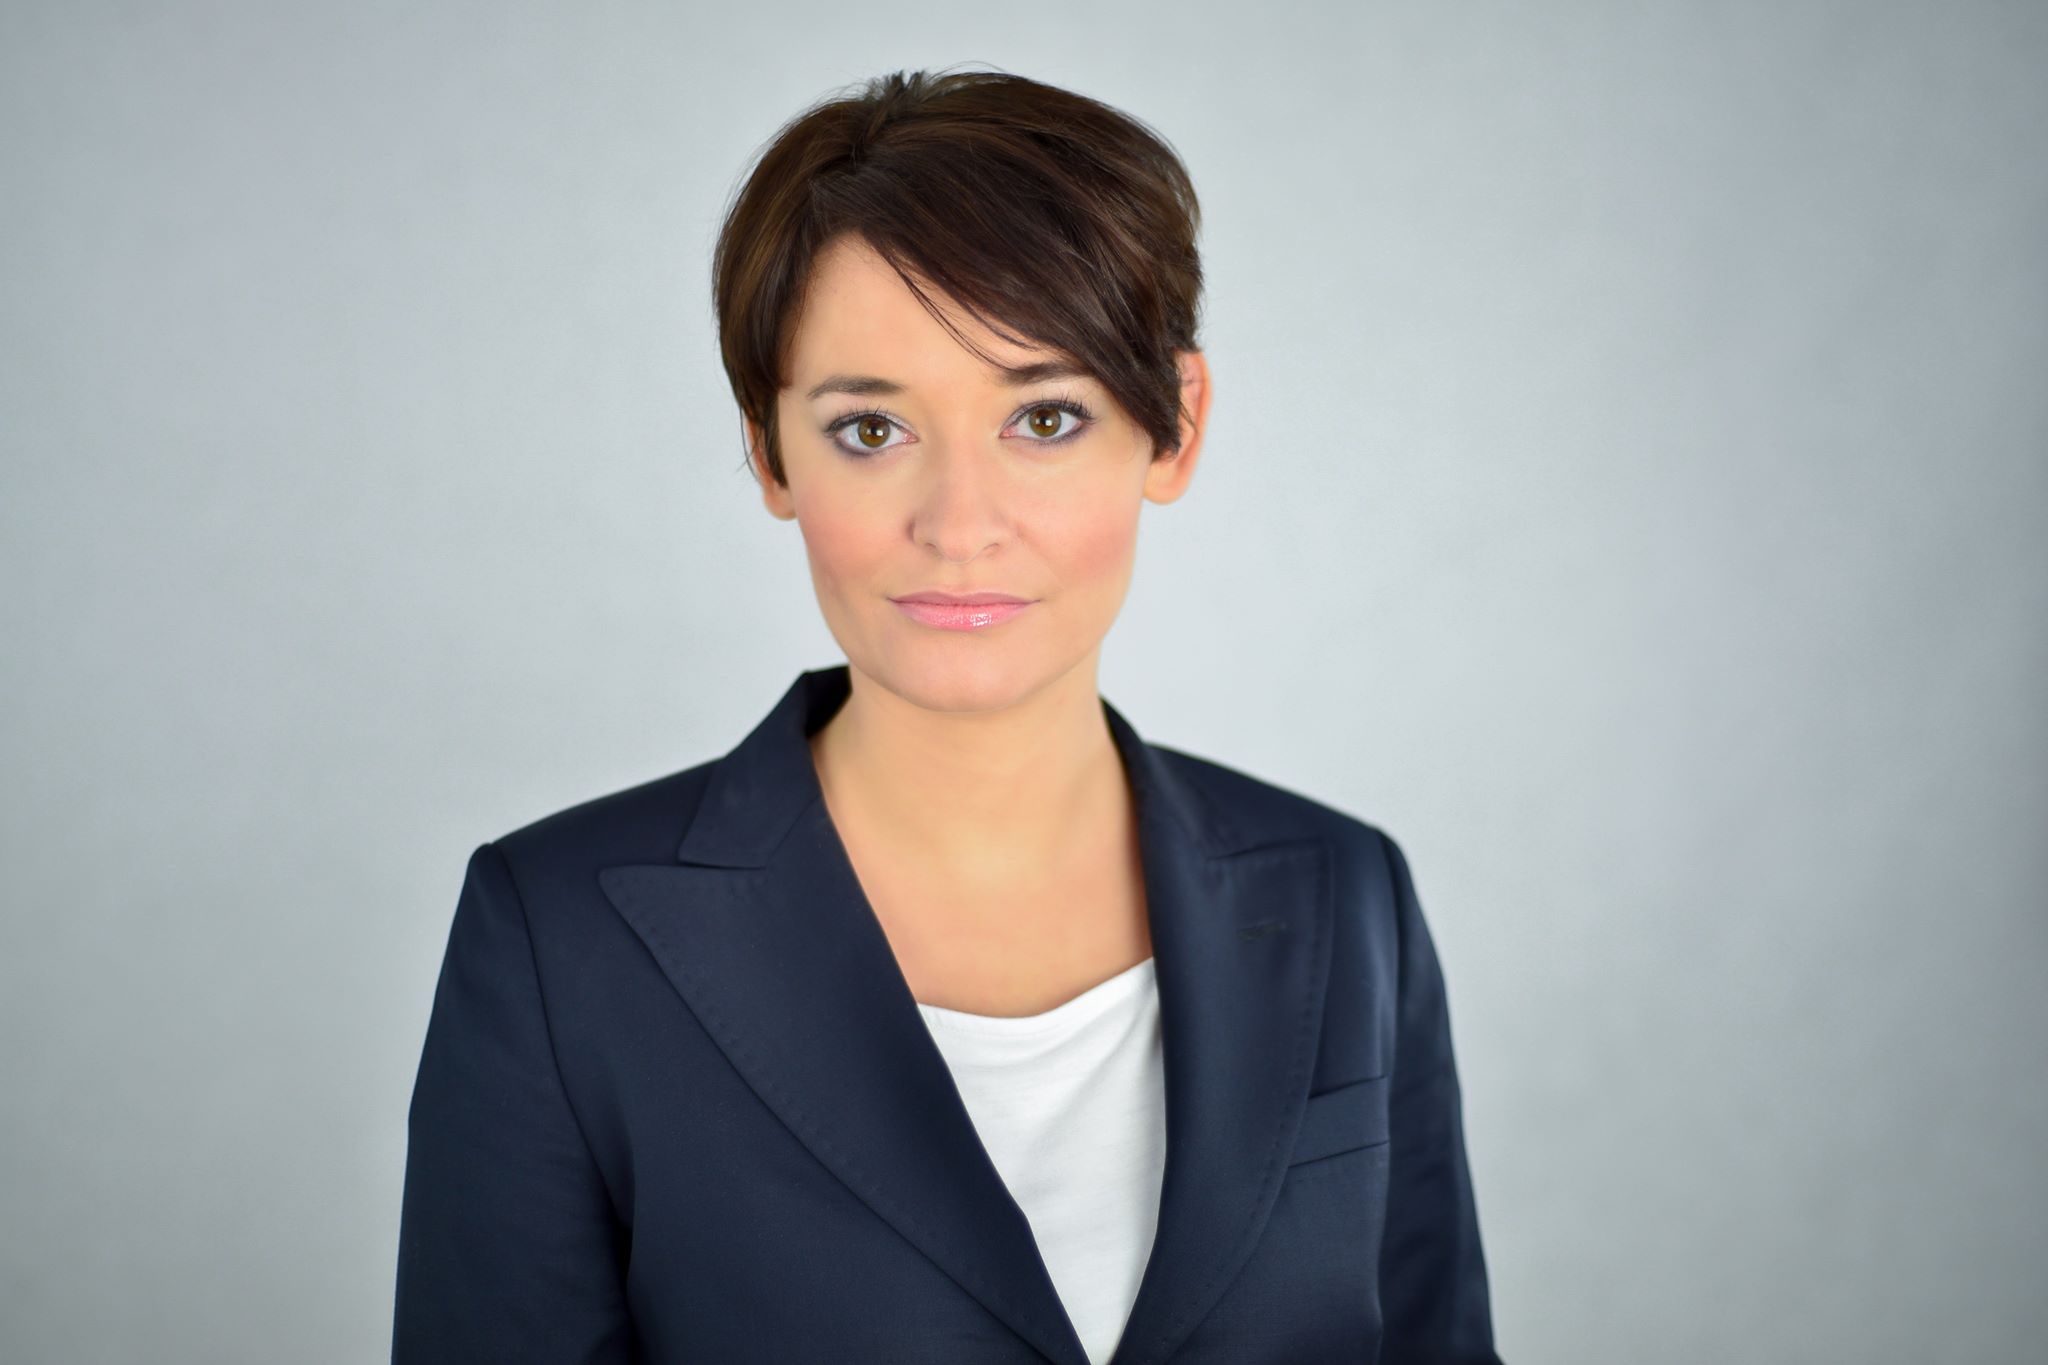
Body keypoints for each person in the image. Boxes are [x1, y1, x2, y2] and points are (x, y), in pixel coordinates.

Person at [392, 66, 1502, 1365]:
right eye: (871, 429)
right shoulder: (558, 938)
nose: (959, 524)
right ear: (770, 450)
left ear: (1175, 427)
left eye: (1045, 417)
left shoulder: (1347, 895)